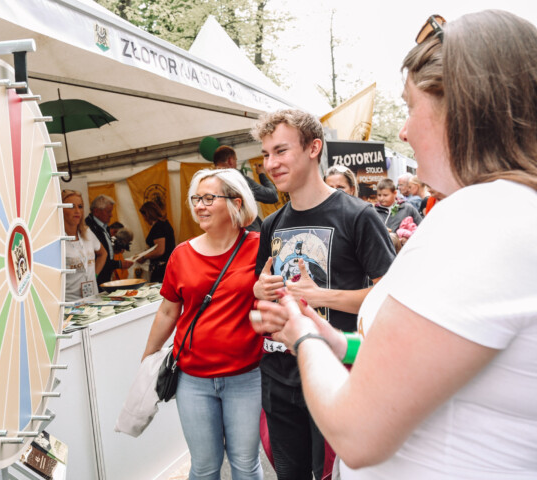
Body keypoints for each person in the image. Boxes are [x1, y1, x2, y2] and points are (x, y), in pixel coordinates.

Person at [252, 10, 537, 479]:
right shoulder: (498, 210)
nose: (402, 131)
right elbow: (427, 359)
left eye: (409, 106)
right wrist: (334, 340)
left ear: (463, 108)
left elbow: (355, 433)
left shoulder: (485, 218)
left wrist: (303, 336)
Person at [250, 109, 395, 480]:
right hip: (280, 373)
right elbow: (261, 292)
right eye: (266, 154)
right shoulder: (271, 224)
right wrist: (259, 290)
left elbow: (390, 298)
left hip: (336, 374)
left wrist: (323, 297)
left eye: (280, 151)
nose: (270, 163)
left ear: (314, 148)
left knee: (335, 474)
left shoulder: (358, 216)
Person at [141, 168, 264, 480]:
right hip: (192, 378)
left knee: (245, 465)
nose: (199, 205)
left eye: (209, 198)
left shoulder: (260, 248)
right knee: (204, 466)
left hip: (246, 375)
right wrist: (149, 358)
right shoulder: (181, 254)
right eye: (196, 198)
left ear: (237, 202)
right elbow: (169, 312)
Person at [213, 145, 279, 232]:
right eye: (235, 160)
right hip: (247, 232)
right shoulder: (235, 178)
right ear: (230, 161)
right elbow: (271, 196)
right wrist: (262, 175)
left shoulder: (209, 181)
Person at [62, 190, 107, 301]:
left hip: (93, 299)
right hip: (71, 303)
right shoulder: (57, 239)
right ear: (60, 209)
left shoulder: (87, 233)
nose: (77, 211)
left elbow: (103, 253)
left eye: (80, 206)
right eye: (71, 207)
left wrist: (95, 275)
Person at [86, 195, 133, 286]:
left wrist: (113, 250)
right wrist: (119, 264)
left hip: (105, 276)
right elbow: (95, 258)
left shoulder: (104, 226)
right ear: (96, 211)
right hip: (95, 278)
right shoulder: (89, 228)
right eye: (108, 211)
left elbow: (103, 250)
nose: (111, 215)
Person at [135, 201, 175, 283]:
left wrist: (143, 257)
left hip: (162, 269)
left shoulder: (158, 227)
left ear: (147, 214)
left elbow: (160, 251)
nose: (144, 219)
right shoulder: (164, 224)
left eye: (144, 216)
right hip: (167, 267)